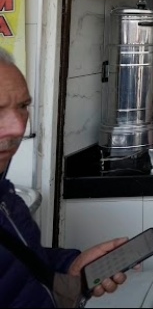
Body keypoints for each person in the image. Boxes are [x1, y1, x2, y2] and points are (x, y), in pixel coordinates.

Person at [0, 48, 131, 307]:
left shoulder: (4, 193)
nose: (18, 127)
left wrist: (70, 266)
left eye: (23, 106)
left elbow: (15, 265)